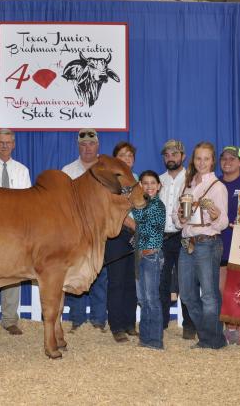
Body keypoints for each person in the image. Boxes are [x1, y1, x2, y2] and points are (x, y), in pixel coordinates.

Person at [175, 142, 228, 350]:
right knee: (187, 294)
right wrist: (179, 217)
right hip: (187, 242)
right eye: (198, 158)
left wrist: (215, 215)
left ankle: (211, 340)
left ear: (212, 161)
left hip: (207, 242)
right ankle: (210, 335)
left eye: (206, 159)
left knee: (208, 295)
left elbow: (222, 223)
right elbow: (178, 217)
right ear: (193, 160)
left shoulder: (217, 187)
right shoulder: (187, 184)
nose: (202, 162)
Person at [0, 129, 32, 336]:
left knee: (14, 273)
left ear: (14, 145)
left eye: (8, 142)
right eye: (1, 142)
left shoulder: (22, 170)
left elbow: (27, 200)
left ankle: (10, 319)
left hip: (14, 229)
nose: (4, 145)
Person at [61, 128, 108, 332]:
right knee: (76, 273)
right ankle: (77, 319)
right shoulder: (67, 171)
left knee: (100, 273)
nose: (87, 147)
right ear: (78, 146)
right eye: (83, 144)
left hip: (99, 231)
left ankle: (98, 320)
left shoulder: (106, 170)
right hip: (75, 231)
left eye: (91, 143)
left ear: (97, 145)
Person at [159, 139, 196, 339]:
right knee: (162, 280)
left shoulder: (191, 179)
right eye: (167, 155)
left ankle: (189, 325)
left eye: (174, 154)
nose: (170, 158)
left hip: (183, 235)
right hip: (163, 236)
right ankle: (162, 323)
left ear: (183, 157)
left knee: (186, 280)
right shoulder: (158, 180)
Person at [105, 141, 138, 343]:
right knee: (116, 281)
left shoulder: (136, 180)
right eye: (122, 155)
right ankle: (116, 326)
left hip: (135, 234)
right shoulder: (110, 182)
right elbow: (113, 210)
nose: (127, 158)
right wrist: (135, 225)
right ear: (115, 159)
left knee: (130, 281)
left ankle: (129, 323)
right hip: (117, 234)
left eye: (130, 155)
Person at [130, 170, 166, 349]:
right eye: (145, 183)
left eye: (153, 183)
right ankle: (145, 338)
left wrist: (128, 217)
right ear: (140, 186)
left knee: (151, 298)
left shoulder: (157, 205)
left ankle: (155, 340)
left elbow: (142, 227)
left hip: (152, 255)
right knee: (143, 299)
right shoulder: (142, 205)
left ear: (159, 186)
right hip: (141, 256)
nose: (149, 186)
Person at [217, 145, 240, 345]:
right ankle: (229, 324)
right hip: (220, 243)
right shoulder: (215, 184)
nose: (228, 161)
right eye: (224, 157)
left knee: (239, 288)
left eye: (233, 158)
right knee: (222, 288)